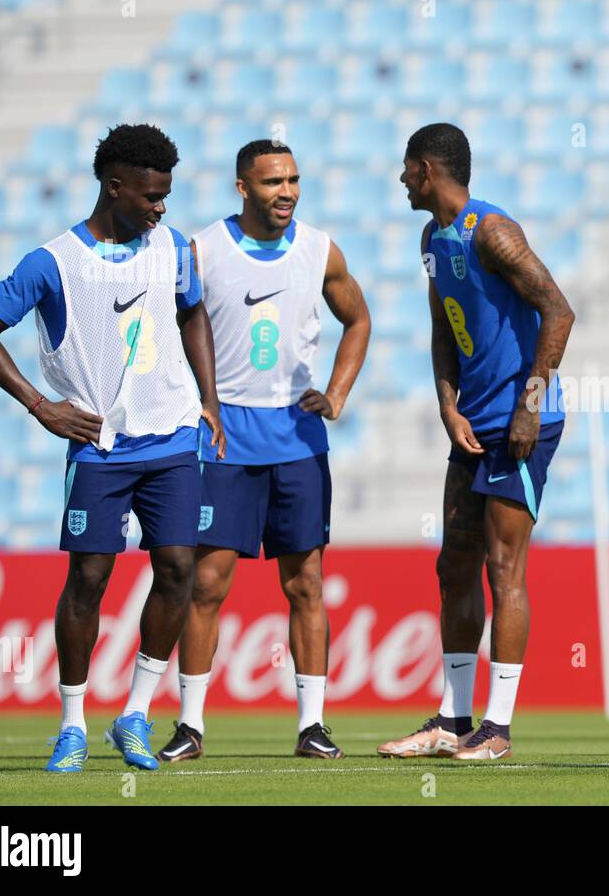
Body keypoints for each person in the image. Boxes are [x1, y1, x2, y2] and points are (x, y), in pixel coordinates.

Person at [0, 123, 225, 772]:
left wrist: (210, 399)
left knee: (177, 567)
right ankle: (73, 725)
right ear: (114, 186)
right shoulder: (52, 262)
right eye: (151, 195)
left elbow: (193, 313)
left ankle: (134, 713)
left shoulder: (174, 248)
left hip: (172, 435)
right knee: (89, 578)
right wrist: (40, 404)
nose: (161, 207)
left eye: (166, 195)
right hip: (100, 446)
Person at [157, 140, 371, 763]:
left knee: (306, 583)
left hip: (297, 438)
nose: (287, 192)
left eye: (294, 180)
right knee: (207, 582)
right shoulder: (203, 249)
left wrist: (337, 392)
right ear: (242, 187)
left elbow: (358, 319)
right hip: (226, 435)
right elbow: (169, 326)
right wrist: (194, 399)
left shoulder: (320, 249)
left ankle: (313, 725)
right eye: (274, 181)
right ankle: (190, 725)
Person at [377, 123, 573, 761]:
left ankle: (498, 728)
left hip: (520, 422)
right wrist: (447, 404)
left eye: (407, 168)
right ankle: (452, 719)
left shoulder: (492, 231)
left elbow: (559, 309)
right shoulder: (432, 239)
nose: (402, 179)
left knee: (502, 566)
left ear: (428, 170)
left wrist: (530, 407)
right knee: (453, 565)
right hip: (474, 423)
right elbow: (443, 325)